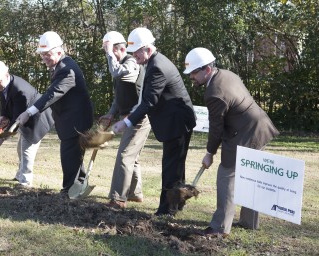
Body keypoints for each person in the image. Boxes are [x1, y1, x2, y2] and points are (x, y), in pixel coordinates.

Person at [183, 47, 279, 236]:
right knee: (251, 173)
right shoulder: (226, 74)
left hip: (246, 132)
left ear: (207, 70)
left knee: (227, 174)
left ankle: (219, 228)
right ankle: (249, 221)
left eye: (194, 72)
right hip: (259, 126)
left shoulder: (214, 92)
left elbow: (216, 127)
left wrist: (210, 153)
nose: (191, 77)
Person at [112, 28, 196, 216]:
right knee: (176, 167)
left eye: (136, 52)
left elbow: (150, 101)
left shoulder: (157, 66)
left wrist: (126, 122)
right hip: (178, 120)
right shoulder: (153, 62)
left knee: (171, 167)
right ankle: (176, 205)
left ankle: (166, 210)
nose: (133, 56)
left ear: (147, 49)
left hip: (177, 123)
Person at [16, 31, 94, 193]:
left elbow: (51, 94)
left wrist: (29, 112)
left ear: (59, 52)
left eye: (48, 54)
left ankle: (69, 190)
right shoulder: (60, 65)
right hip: (69, 120)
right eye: (42, 54)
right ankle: (79, 185)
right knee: (74, 156)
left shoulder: (68, 70)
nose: (44, 57)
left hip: (75, 121)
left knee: (68, 155)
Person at [99, 31, 151, 209]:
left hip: (139, 118)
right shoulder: (122, 63)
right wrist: (111, 113)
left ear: (120, 49)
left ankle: (118, 198)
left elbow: (116, 73)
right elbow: (119, 96)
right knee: (132, 156)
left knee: (125, 155)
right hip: (129, 117)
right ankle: (135, 194)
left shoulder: (131, 63)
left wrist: (109, 53)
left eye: (111, 50)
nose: (108, 55)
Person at [0, 60, 54, 187]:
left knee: (27, 150)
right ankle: (20, 175)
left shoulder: (20, 90)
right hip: (23, 118)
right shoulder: (5, 84)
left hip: (36, 121)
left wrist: (2, 138)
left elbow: (17, 120)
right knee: (20, 148)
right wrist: (3, 115)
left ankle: (25, 182)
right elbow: (6, 104)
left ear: (6, 74)